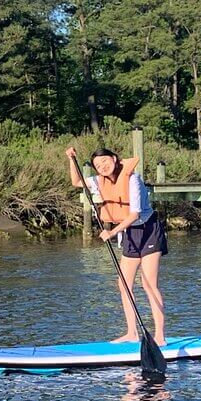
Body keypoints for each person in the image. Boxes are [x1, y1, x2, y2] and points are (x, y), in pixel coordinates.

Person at [66, 147, 167, 346]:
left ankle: (160, 337)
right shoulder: (98, 181)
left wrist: (111, 232)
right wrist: (71, 158)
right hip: (130, 233)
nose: (102, 166)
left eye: (105, 161)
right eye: (97, 165)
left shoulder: (132, 179)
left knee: (148, 284)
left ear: (114, 159)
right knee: (123, 285)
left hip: (148, 230)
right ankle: (131, 333)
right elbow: (76, 182)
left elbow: (134, 214)